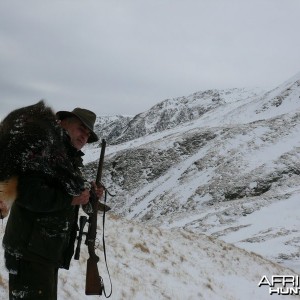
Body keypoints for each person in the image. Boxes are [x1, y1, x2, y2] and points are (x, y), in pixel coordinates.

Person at [2, 106, 103, 300]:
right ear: (62, 123)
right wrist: (72, 199)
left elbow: (72, 196)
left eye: (88, 133)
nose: (84, 136)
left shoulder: (68, 159)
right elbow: (27, 194)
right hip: (30, 253)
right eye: (81, 128)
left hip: (45, 252)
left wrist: (91, 196)